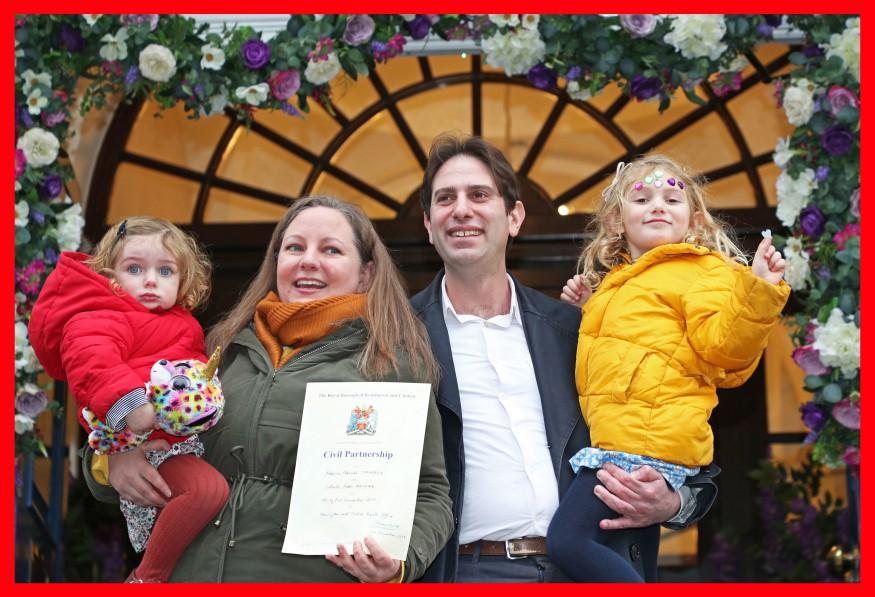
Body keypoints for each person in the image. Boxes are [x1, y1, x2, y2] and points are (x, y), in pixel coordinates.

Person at [85, 196, 454, 582]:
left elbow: (430, 494)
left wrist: (398, 564)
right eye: (295, 247)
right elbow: (135, 438)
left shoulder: (390, 366)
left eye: (330, 249)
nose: (308, 260)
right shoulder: (216, 353)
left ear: (365, 273)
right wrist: (112, 460)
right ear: (276, 262)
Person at [411, 134, 720, 583]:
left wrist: (673, 502)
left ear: (514, 217)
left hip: (589, 570)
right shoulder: (396, 336)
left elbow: (683, 423)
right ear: (428, 223)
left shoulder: (576, 328)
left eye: (479, 195)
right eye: (445, 199)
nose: (462, 210)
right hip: (464, 573)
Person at [547, 155, 791, 581]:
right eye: (642, 198)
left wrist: (758, 294)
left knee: (569, 541)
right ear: (617, 222)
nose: (658, 205)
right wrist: (588, 311)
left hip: (643, 441)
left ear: (693, 223)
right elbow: (623, 353)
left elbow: (725, 351)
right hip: (629, 437)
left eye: (671, 199)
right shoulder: (618, 285)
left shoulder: (702, 273)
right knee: (626, 557)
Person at [29, 216, 229, 582]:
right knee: (206, 490)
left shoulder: (185, 325)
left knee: (198, 499)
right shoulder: (100, 316)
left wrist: (204, 400)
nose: (151, 280)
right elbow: (94, 364)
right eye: (134, 269)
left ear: (185, 279)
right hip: (129, 437)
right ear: (110, 275)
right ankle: (146, 579)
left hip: (172, 442)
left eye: (165, 271)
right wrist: (131, 406)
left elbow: (190, 375)